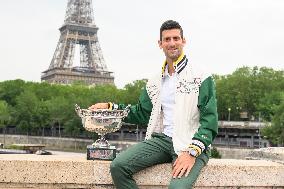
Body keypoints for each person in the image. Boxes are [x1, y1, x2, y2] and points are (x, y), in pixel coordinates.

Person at [89, 20, 218, 189]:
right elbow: (142, 112)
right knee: (118, 166)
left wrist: (192, 152)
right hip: (162, 141)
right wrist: (111, 108)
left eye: (176, 38)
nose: (172, 43)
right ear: (160, 44)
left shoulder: (201, 76)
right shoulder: (154, 81)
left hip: (191, 144)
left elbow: (210, 120)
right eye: (167, 39)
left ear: (183, 41)